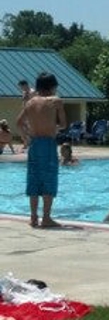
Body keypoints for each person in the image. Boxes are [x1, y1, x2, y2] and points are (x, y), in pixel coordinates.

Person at [16, 72, 67, 228]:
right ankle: (46, 218)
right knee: (48, 179)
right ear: (52, 86)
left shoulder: (30, 103)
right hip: (48, 144)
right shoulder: (55, 101)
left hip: (35, 144)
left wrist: (26, 139)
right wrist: (54, 127)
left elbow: (18, 123)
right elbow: (64, 124)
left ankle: (33, 218)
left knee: (34, 179)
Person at [18, 80, 36, 149]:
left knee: (31, 128)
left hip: (31, 112)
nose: (21, 88)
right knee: (22, 127)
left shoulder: (32, 92)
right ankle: (26, 142)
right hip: (25, 111)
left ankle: (30, 143)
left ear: (25, 85)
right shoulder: (24, 92)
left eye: (21, 87)